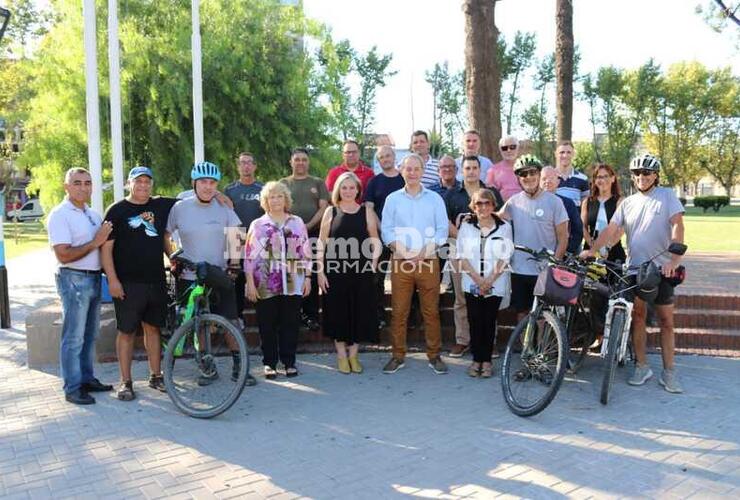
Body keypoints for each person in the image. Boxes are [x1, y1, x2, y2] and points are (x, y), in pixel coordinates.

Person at [582, 153, 686, 394]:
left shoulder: (667, 196)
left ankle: (669, 372)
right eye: (637, 173)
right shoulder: (628, 202)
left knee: (666, 321)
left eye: (647, 173)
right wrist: (594, 250)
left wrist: (674, 259)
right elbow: (612, 230)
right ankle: (642, 366)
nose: (641, 177)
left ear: (656, 175)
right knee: (637, 317)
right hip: (634, 269)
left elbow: (677, 225)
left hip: (662, 269)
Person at [101, 166, 178, 401]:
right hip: (127, 283)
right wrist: (112, 280)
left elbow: (193, 197)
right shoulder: (117, 210)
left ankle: (156, 375)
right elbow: (106, 249)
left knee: (153, 329)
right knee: (126, 331)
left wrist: (220, 196)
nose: (143, 186)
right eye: (138, 181)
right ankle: (126, 381)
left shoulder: (160, 205)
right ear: (129, 183)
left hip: (155, 280)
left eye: (147, 181)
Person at [165, 161, 245, 385]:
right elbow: (166, 234)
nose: (208, 187)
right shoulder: (180, 207)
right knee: (198, 323)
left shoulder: (223, 207)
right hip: (189, 276)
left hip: (219, 275)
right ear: (194, 183)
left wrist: (235, 265)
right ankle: (207, 367)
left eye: (212, 182)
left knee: (231, 320)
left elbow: (236, 234)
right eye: (203, 182)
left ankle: (240, 366)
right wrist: (172, 256)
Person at [47, 167, 113, 405]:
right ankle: (72, 387)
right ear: (67, 187)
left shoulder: (93, 214)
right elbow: (63, 254)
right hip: (73, 279)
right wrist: (95, 242)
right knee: (73, 336)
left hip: (94, 278)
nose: (83, 187)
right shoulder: (60, 215)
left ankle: (86, 379)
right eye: (77, 183)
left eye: (87, 183)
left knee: (89, 334)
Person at [381, 154, 449, 375]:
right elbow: (387, 230)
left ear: (422, 171)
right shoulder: (392, 199)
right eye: (408, 169)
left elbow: (442, 231)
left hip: (428, 261)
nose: (411, 173)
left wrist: (423, 253)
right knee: (399, 312)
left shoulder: (435, 199)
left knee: (431, 312)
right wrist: (405, 253)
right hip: (401, 263)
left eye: (416, 169)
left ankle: (434, 356)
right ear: (402, 171)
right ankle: (397, 356)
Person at [245, 182, 311, 379]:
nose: (275, 200)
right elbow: (249, 256)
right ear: (266, 201)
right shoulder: (258, 225)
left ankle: (289, 362)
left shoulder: (297, 222)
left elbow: (305, 251)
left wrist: (308, 277)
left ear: (286, 199)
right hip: (265, 282)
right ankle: (270, 363)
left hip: (293, 281)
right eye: (271, 197)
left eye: (279, 196)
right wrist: (249, 282)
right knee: (267, 324)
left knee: (290, 323)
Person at [317, 172, 381, 374]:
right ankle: (341, 357)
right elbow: (321, 242)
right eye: (344, 187)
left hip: (361, 270)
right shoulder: (330, 212)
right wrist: (320, 271)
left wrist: (373, 262)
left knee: (359, 311)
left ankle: (354, 356)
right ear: (338, 190)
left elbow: (375, 239)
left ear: (358, 190)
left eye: (352, 187)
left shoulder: (366, 212)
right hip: (335, 271)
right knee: (338, 312)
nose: (348, 191)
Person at [444, 155, 502, 357]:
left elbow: (499, 218)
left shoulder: (491, 193)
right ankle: (463, 340)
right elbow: (446, 221)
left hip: (488, 251)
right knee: (461, 298)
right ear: (462, 170)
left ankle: (489, 341)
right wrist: (464, 235)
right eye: (467, 168)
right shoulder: (452, 194)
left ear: (480, 169)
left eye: (474, 167)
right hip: (459, 250)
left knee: (488, 295)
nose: (471, 171)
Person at [500, 155, 569, 318]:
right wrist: (473, 216)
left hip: (545, 269)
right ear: (518, 178)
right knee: (522, 313)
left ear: (539, 174)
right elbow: (494, 217)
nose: (528, 177)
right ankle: (525, 344)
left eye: (532, 172)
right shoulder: (513, 202)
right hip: (519, 268)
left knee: (542, 316)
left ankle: (539, 344)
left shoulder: (555, 202)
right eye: (523, 174)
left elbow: (563, 237)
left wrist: (554, 266)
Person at [455, 189, 512, 378]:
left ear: (493, 205)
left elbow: (505, 256)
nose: (483, 207)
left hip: (495, 283)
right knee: (474, 321)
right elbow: (461, 256)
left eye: (487, 203)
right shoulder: (466, 226)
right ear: (473, 206)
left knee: (489, 322)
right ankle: (476, 360)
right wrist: (478, 280)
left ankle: (486, 361)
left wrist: (489, 281)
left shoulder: (504, 226)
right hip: (471, 282)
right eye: (479, 203)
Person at [280, 148, 329, 332]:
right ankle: (294, 314)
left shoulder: (317, 182)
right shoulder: (283, 183)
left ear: (308, 162)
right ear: (291, 162)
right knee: (293, 274)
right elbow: (278, 207)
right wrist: (296, 228)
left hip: (314, 234)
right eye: (297, 159)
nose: (300, 162)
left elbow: (323, 207)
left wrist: (307, 226)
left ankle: (311, 316)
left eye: (304, 160)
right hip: (289, 236)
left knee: (313, 275)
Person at [364, 145, 405, 328]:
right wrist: (383, 229)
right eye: (381, 157)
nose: (385, 159)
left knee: (404, 277)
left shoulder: (404, 179)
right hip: (380, 235)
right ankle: (378, 315)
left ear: (394, 157)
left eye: (388, 155)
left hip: (404, 237)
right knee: (377, 277)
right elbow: (369, 209)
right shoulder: (374, 182)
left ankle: (405, 316)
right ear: (378, 161)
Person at [224, 152, 264, 327]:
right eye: (243, 163)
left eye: (249, 162)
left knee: (261, 275)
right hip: (235, 235)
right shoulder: (229, 190)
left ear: (255, 166)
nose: (246, 166)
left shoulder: (262, 188)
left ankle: (264, 315)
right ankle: (238, 316)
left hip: (258, 237)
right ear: (238, 166)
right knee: (237, 279)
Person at [581, 163, 625, 263]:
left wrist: (607, 247)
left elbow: (622, 228)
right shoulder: (587, 202)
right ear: (595, 181)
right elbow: (582, 227)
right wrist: (593, 246)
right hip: (590, 253)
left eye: (606, 176)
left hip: (613, 252)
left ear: (613, 178)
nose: (603, 180)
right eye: (599, 177)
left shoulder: (620, 202)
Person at [540, 166, 584, 255]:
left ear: (558, 182)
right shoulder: (533, 204)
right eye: (544, 178)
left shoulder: (568, 203)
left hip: (563, 254)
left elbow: (578, 230)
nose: (547, 181)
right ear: (539, 182)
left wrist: (567, 251)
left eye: (551, 178)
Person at [485, 135, 522, 201]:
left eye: (512, 147)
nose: (508, 150)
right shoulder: (493, 171)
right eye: (504, 148)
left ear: (518, 148)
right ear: (500, 150)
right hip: (502, 207)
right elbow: (489, 194)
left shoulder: (526, 167)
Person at [555, 140, 589, 209]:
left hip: (575, 219)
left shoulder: (583, 179)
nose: (565, 155)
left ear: (573, 154)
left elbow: (585, 206)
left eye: (568, 152)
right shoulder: (548, 178)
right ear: (555, 154)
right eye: (562, 152)